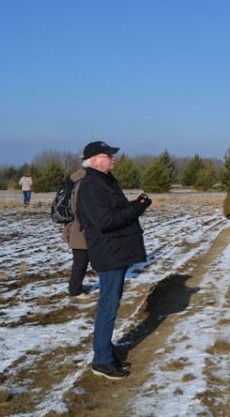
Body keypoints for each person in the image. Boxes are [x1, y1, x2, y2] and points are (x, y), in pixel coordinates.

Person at [76, 141, 152, 380]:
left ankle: (104, 351)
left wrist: (137, 204)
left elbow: (115, 211)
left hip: (116, 250)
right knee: (108, 306)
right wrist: (136, 209)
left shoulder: (104, 181)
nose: (113, 159)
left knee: (111, 303)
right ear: (95, 160)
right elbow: (105, 221)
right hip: (108, 253)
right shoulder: (90, 186)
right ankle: (101, 360)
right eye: (108, 155)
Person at [62, 163, 92, 298]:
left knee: (81, 260)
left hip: (76, 227)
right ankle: (75, 291)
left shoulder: (77, 179)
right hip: (79, 228)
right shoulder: (83, 182)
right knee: (80, 261)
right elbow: (78, 207)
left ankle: (76, 287)